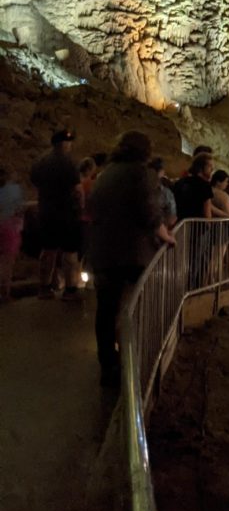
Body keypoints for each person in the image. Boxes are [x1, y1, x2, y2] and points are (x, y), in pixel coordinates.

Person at [88, 131, 174, 387]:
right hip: (131, 254)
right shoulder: (141, 174)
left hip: (103, 252)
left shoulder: (106, 173)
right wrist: (164, 234)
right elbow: (149, 211)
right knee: (139, 304)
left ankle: (108, 365)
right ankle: (136, 359)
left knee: (105, 310)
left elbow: (93, 207)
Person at [30, 130, 81, 300]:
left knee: (48, 251)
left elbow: (35, 183)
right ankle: (70, 289)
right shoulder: (68, 162)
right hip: (66, 213)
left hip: (46, 212)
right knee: (69, 253)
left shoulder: (41, 161)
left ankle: (44, 287)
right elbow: (77, 189)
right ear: (64, 144)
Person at [0, 167, 24, 302]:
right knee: (7, 263)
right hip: (9, 227)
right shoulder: (14, 190)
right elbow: (18, 209)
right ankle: (4, 293)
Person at [173, 153, 214, 221]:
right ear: (200, 167)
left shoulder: (180, 182)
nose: (212, 169)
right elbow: (207, 213)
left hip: (181, 226)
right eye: (210, 166)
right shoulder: (205, 185)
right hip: (198, 228)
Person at [149, 157, 177, 230]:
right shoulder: (166, 192)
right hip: (162, 232)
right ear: (161, 172)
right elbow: (172, 217)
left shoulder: (139, 188)